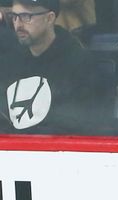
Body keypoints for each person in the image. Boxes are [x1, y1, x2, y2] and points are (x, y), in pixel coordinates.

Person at [0, 0, 102, 134]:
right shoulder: (8, 62)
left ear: (49, 18)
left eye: (26, 17)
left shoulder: (79, 62)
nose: (18, 24)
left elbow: (80, 123)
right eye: (14, 17)